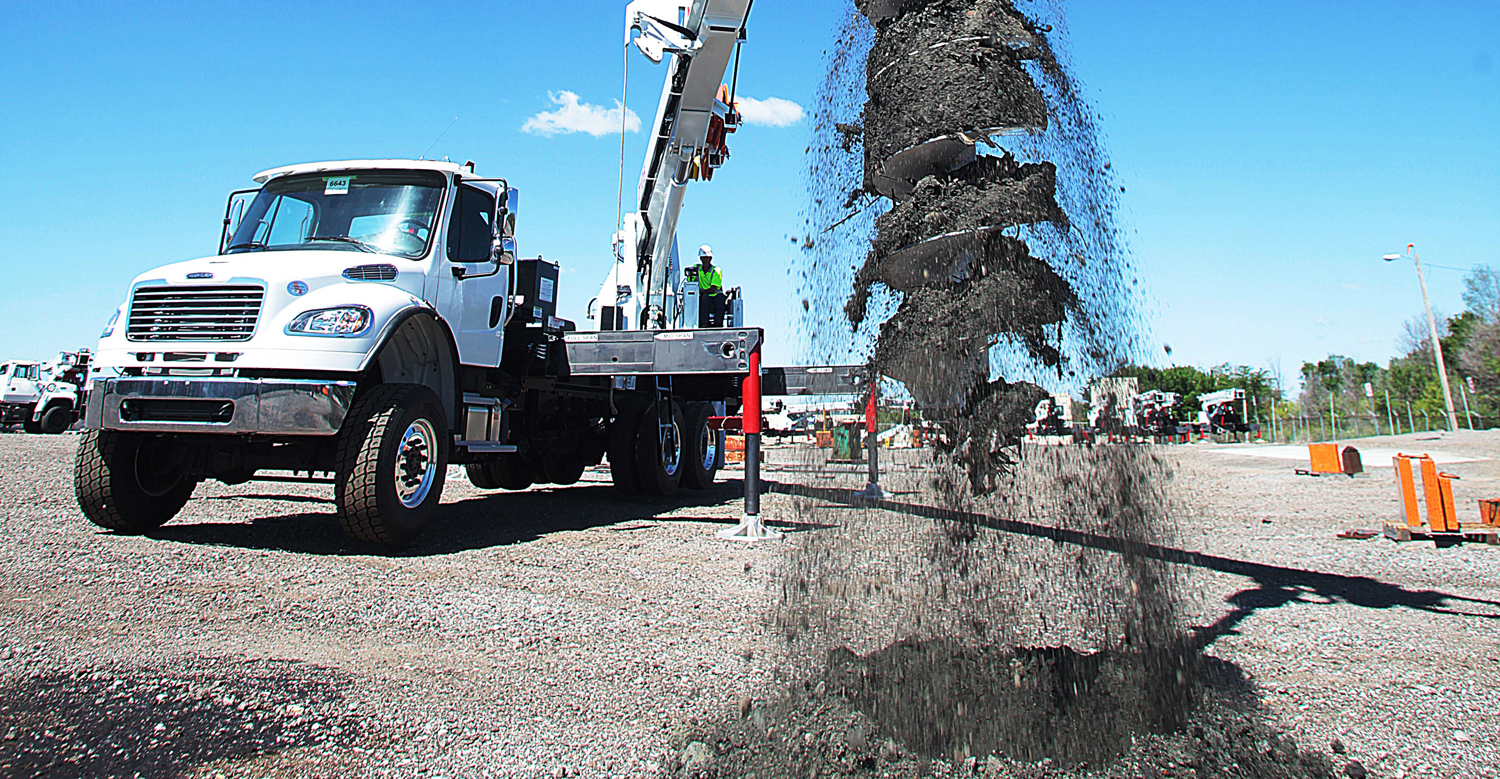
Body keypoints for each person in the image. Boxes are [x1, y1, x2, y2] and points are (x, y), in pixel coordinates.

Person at [695, 244, 725, 327]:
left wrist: (701, 291)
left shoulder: (716, 271)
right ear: (701, 258)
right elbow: (690, 281)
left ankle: (718, 324)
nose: (706, 260)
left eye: (708, 258)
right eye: (704, 258)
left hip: (714, 296)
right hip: (702, 296)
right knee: (704, 297)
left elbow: (713, 288)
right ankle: (703, 324)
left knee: (720, 298)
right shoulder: (696, 269)